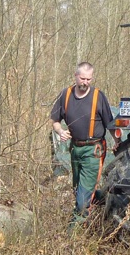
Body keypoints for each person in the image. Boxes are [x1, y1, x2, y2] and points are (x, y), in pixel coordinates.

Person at [49, 62, 120, 229]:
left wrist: (118, 142)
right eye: (82, 78)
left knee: (82, 202)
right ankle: (110, 199)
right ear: (75, 76)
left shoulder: (98, 96)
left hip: (93, 151)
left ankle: (71, 237)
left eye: (89, 79)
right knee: (79, 191)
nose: (85, 82)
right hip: (74, 149)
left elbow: (111, 123)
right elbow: (54, 120)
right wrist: (60, 131)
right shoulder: (65, 95)